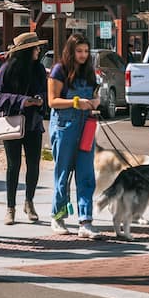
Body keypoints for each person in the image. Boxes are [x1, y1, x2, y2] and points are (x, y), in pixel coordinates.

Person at [47, 33, 103, 239]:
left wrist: (96, 102)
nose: (83, 55)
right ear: (71, 51)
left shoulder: (89, 72)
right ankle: (58, 215)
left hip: (86, 126)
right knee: (63, 173)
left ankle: (85, 221)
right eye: (79, 51)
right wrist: (75, 102)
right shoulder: (59, 70)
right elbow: (52, 101)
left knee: (86, 173)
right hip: (64, 126)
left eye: (86, 51)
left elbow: (96, 95)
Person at [0, 32, 48, 225]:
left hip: (33, 123)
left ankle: (29, 202)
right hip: (13, 124)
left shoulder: (39, 69)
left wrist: (40, 99)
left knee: (33, 165)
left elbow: (45, 91)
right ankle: (10, 207)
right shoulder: (6, 69)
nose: (39, 50)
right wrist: (23, 101)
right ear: (26, 51)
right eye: (35, 48)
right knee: (13, 165)